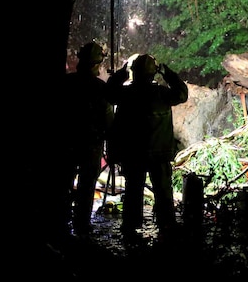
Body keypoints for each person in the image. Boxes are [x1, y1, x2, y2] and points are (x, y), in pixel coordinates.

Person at [106, 53, 188, 238]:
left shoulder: (125, 95)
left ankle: (131, 228)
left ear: (133, 72)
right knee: (163, 192)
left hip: (133, 154)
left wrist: (121, 73)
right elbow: (182, 93)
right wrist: (168, 73)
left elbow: (109, 92)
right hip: (159, 154)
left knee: (133, 191)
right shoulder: (162, 94)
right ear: (154, 73)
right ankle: (166, 227)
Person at [61, 41, 114, 236]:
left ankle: (61, 221)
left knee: (64, 183)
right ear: (96, 64)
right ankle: (81, 224)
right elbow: (108, 120)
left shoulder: (66, 83)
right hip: (90, 144)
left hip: (66, 142)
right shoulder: (100, 88)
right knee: (86, 186)